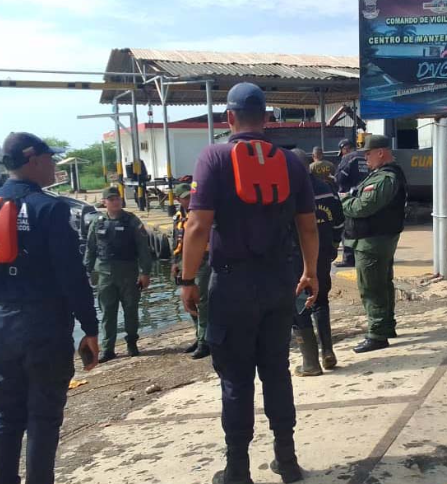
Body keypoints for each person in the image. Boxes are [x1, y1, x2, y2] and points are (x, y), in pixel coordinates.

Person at [179, 82, 319, 484]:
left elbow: (197, 226)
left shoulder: (214, 157)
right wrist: (310, 272)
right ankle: (287, 461)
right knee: (277, 371)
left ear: (229, 117)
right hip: (278, 284)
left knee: (236, 378)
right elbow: (308, 226)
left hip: (231, 286)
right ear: (267, 118)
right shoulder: (292, 162)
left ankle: (237, 469)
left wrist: (187, 280)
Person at [0, 132, 99, 484]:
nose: (54, 165)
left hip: (1, 322)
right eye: (50, 158)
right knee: (43, 417)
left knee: (5, 415)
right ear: (33, 159)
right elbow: (72, 275)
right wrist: (90, 328)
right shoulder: (51, 208)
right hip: (44, 324)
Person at [342, 135, 407, 354]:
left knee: (371, 288)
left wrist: (344, 200)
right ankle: (385, 326)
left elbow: (363, 206)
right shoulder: (382, 175)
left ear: (381, 152)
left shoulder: (385, 178)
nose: (365, 158)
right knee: (382, 284)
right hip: (376, 238)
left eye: (368, 154)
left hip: (372, 241)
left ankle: (377, 334)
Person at [290, 149, 345, 376]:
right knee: (321, 300)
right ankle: (327, 352)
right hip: (322, 254)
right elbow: (339, 220)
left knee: (299, 305)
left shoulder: (288, 192)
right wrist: (333, 245)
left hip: (296, 257)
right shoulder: (326, 188)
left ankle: (310, 363)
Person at [84, 186, 152, 363]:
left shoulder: (132, 221)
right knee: (107, 312)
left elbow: (143, 249)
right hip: (104, 274)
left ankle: (132, 343)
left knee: (131, 309)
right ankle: (108, 349)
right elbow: (90, 249)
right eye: (111, 199)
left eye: (117, 199)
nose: (115, 202)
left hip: (128, 273)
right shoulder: (97, 222)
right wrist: (86, 271)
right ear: (104, 202)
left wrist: (145, 272)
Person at [171, 183, 212, 359]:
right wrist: (174, 263)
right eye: (186, 197)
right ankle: (198, 335)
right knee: (189, 301)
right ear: (178, 199)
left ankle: (204, 342)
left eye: (191, 196)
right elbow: (176, 240)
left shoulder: (201, 214)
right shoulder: (178, 217)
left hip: (202, 261)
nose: (190, 200)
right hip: (183, 262)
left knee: (202, 301)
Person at [335, 139, 370, 268]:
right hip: (365, 197)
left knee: (348, 229)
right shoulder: (365, 156)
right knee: (363, 228)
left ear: (345, 148)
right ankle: (362, 256)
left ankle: (349, 259)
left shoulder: (348, 158)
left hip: (349, 198)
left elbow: (339, 178)